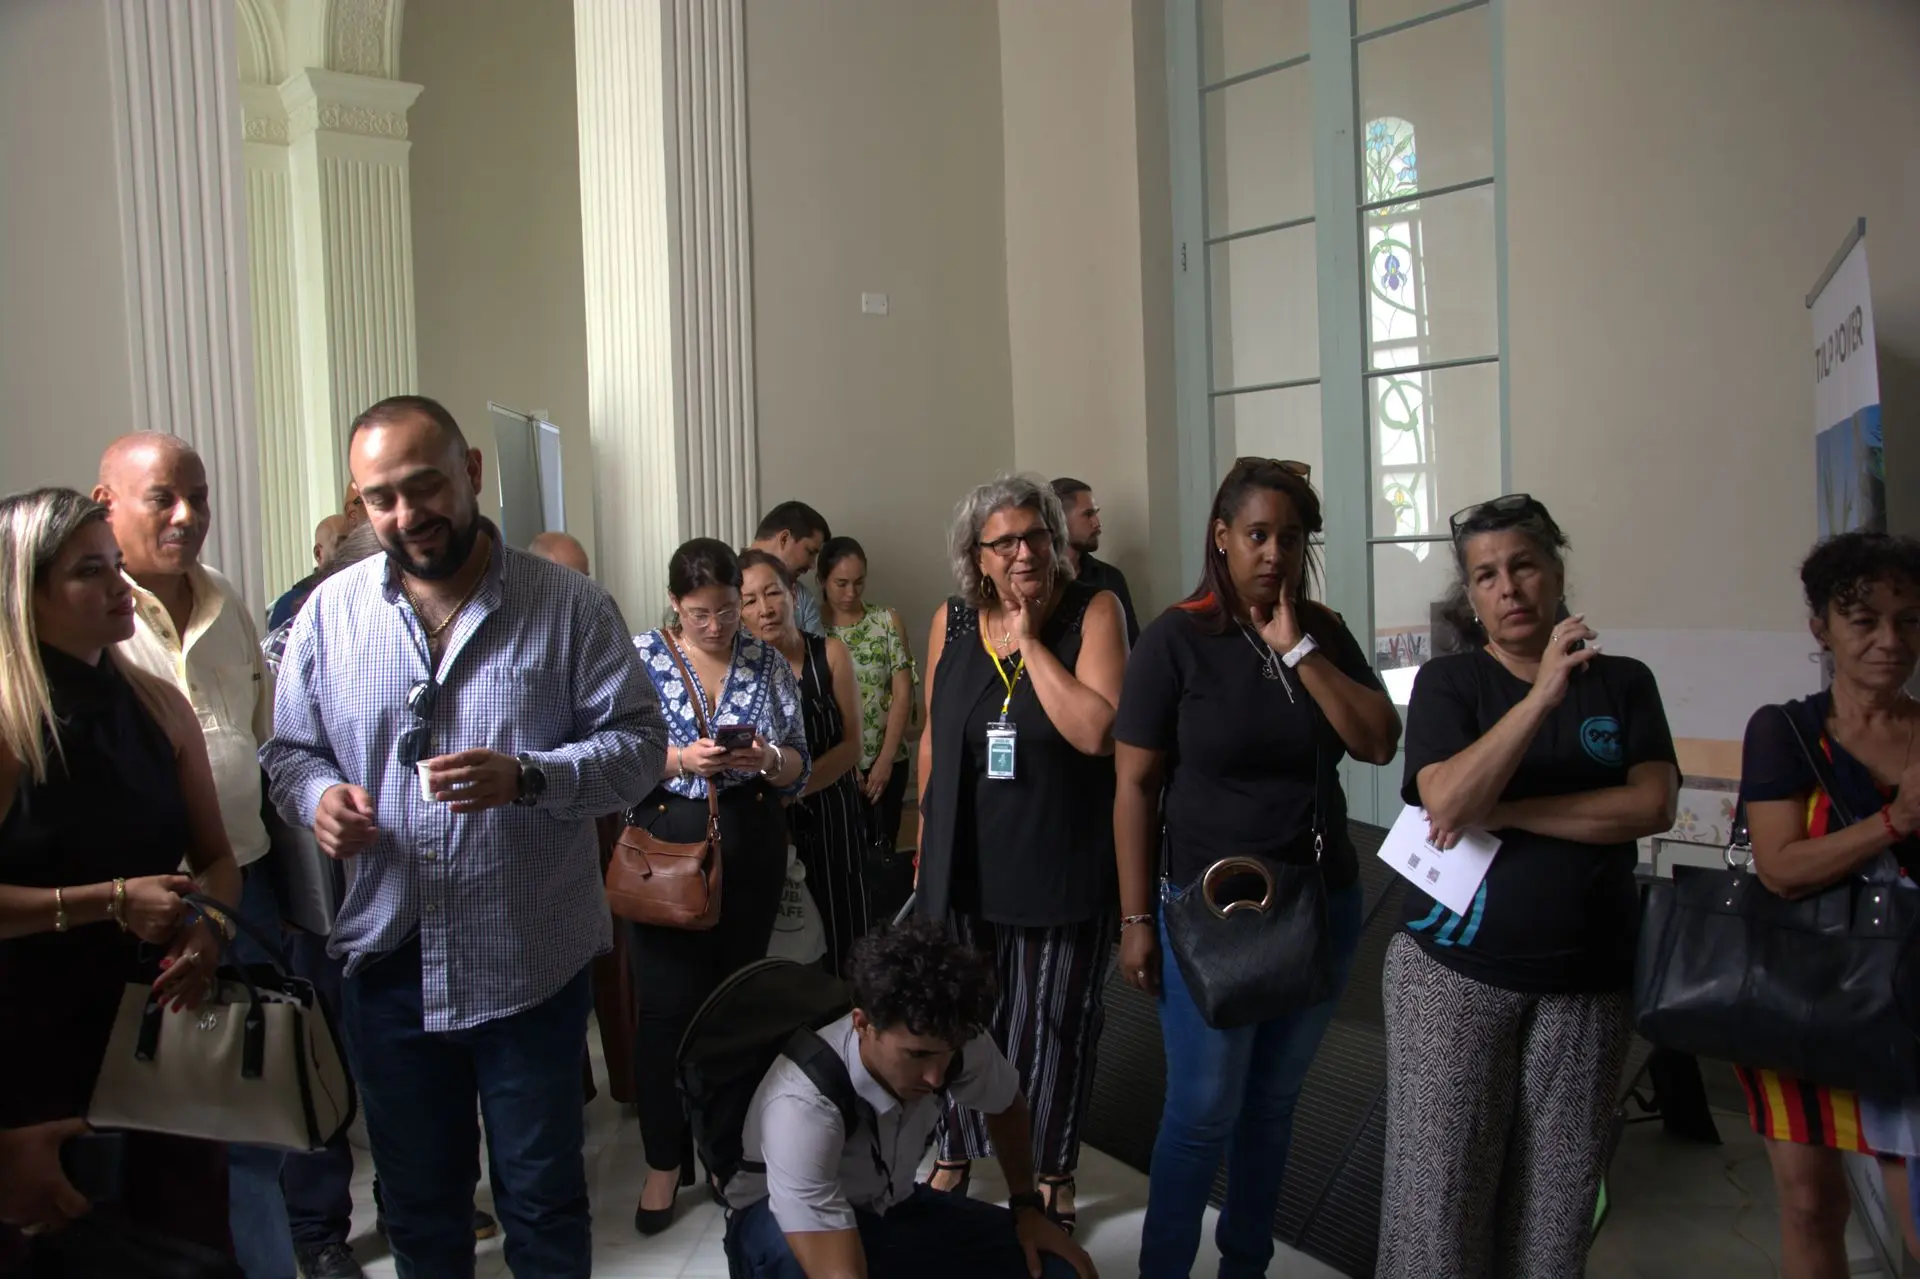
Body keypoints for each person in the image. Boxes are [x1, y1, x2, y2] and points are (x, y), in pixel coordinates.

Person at [262, 395, 668, 1279]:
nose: (407, 514)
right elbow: (289, 752)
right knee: (420, 1210)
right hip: (388, 963)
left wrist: (530, 776)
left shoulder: (570, 607)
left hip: (528, 960)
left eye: (425, 486)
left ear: (472, 470)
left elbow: (640, 749)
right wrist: (320, 797)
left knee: (543, 1204)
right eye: (381, 498)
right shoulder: (329, 615)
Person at [1376, 493, 1679, 1278]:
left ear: (1556, 572)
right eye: (1486, 575)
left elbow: (1652, 805)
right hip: (1454, 974)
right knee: (1439, 1212)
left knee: (1555, 1218)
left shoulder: (1624, 683)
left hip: (1588, 981)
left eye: (1523, 566)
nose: (1508, 587)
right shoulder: (1450, 683)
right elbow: (1448, 801)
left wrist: (1507, 810)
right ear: (1472, 596)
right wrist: (1542, 694)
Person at [1112, 457, 1401, 1277]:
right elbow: (1134, 787)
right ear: (1222, 536)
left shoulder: (1323, 631)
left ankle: (1245, 1264)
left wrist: (1298, 647)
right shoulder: (1175, 639)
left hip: (1319, 901)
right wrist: (1135, 919)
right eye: (1258, 534)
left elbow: (1378, 741)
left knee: (1272, 1104)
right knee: (1203, 1109)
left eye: (1291, 537)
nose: (1275, 553)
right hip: (1211, 912)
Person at [0, 487, 242, 1262]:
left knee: (188, 1244)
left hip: (156, 1032)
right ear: (25, 592)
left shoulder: (160, 706)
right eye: (88, 571)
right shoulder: (9, 722)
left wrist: (208, 929)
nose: (119, 585)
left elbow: (218, 860)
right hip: (33, 1047)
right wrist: (107, 901)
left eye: (115, 564)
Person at [91, 432, 298, 1278]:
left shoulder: (224, 597)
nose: (188, 515)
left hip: (243, 884)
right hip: (135, 913)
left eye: (200, 497)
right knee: (142, 1135)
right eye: (164, 498)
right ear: (106, 504)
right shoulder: (95, 612)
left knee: (254, 1117)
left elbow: (263, 732)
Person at [916, 475, 1129, 1234]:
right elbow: (935, 738)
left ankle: (1050, 1168)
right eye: (1002, 542)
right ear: (977, 555)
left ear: (1055, 539)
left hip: (1058, 858)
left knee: (1053, 1024)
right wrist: (924, 847)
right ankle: (955, 1148)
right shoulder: (952, 621)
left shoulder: (1093, 611)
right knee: (960, 1016)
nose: (1023, 552)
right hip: (964, 861)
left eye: (1035, 535)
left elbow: (1097, 732)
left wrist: (1032, 639)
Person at [1735, 530, 1920, 1278]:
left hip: (1908, 1006)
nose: (1890, 641)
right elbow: (1780, 867)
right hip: (1803, 1001)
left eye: (1908, 621)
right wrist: (1895, 820)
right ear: (1822, 628)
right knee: (1812, 1205)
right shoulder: (1785, 731)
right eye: (1864, 621)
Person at [723, 916, 1097, 1279]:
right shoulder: (802, 1104)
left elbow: (1006, 1105)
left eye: (946, 1054)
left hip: (891, 1206)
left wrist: (1026, 1207)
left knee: (1056, 1266)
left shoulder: (953, 1037)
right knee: (791, 1263)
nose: (935, 1077)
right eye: (917, 1055)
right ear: (863, 1024)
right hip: (782, 1226)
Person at [629, 538, 811, 1235]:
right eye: (700, 613)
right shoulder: (641, 658)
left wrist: (766, 757)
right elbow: (615, 755)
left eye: (728, 610)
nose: (716, 625)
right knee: (665, 1007)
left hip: (751, 842)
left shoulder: (767, 661)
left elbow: (798, 762)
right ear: (674, 604)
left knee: (735, 1004)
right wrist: (680, 758)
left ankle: (725, 1150)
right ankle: (662, 1160)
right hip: (667, 846)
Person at [741, 549, 869, 973]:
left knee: (844, 931)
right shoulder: (739, 671)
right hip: (768, 823)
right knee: (779, 947)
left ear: (793, 594)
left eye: (773, 593)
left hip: (832, 814)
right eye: (749, 600)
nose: (765, 609)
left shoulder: (829, 654)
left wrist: (798, 787)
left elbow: (852, 745)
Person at [819, 537, 918, 854]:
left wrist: (885, 761)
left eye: (859, 582)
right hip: (832, 766)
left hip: (887, 760)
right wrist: (845, 765)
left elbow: (903, 694)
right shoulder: (813, 629)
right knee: (839, 855)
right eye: (841, 583)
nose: (851, 593)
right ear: (822, 581)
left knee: (882, 852)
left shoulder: (886, 621)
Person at [1051, 478, 1138, 645]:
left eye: (1096, 513)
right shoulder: (1039, 582)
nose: (1097, 523)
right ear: (1059, 521)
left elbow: (1133, 645)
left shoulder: (1110, 578)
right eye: (1088, 514)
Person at [753, 501, 832, 637]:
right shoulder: (723, 584)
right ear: (784, 539)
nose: (813, 565)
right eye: (810, 551)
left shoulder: (803, 599)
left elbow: (818, 650)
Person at [269, 514, 355, 631]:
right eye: (343, 544)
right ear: (318, 554)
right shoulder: (290, 605)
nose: (354, 550)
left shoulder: (370, 594)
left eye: (356, 542)